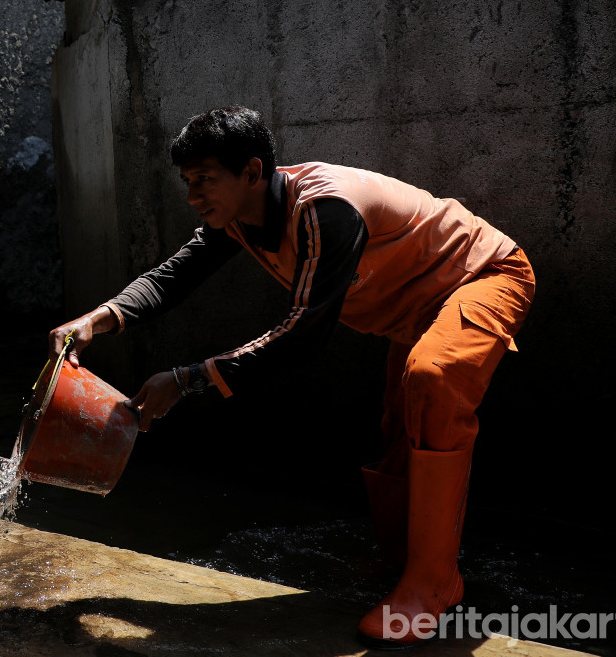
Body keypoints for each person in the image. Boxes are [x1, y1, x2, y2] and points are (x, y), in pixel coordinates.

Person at [49, 106, 535, 647]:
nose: (193, 197)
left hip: (482, 276)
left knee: (433, 379)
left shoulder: (325, 210)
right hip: (416, 307)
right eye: (188, 182)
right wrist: (99, 318)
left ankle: (434, 584)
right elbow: (176, 275)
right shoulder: (239, 217)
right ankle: (403, 564)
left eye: (205, 180)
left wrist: (186, 380)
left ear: (252, 172)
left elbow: (302, 335)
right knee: (403, 419)